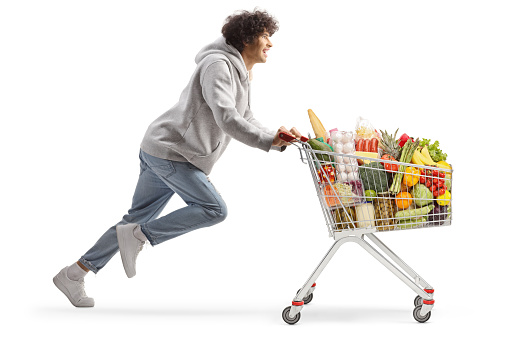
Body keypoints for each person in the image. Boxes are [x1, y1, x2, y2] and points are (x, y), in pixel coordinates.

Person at [53, 9, 302, 307]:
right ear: (247, 38)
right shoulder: (218, 66)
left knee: (132, 221)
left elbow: (245, 116)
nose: (270, 43)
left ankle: (74, 273)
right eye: (265, 36)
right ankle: (141, 235)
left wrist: (275, 136)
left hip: (163, 149)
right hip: (172, 154)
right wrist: (266, 139)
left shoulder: (242, 71)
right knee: (213, 209)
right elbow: (227, 118)